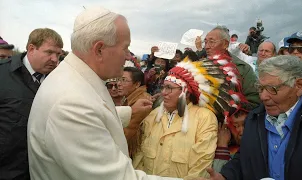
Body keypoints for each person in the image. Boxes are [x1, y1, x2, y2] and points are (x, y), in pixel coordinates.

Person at [27, 7, 201, 180]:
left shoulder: (72, 78)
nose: (128, 57)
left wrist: (131, 112)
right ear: (99, 49)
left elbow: (95, 113)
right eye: (125, 48)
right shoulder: (71, 104)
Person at [211, 55, 302, 180]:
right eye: (261, 88)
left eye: (272, 89)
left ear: (298, 86)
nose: (263, 97)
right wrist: (225, 176)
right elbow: (244, 158)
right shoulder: (254, 118)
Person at [134, 60, 219, 179]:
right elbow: (139, 157)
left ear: (186, 93)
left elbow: (201, 163)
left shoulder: (204, 118)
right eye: (163, 87)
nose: (163, 93)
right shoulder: (153, 115)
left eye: (169, 88)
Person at [0, 28, 63, 180]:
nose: (55, 59)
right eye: (49, 52)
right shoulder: (2, 75)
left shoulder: (61, 80)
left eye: (58, 54)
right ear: (31, 49)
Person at [203, 26, 260, 106]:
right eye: (205, 42)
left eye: (211, 42)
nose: (206, 47)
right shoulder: (200, 67)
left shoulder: (242, 69)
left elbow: (254, 101)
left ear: (225, 44)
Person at [118, 67, 152, 157]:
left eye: (124, 80)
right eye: (119, 79)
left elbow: (131, 130)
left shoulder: (143, 101)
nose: (119, 84)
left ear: (137, 84)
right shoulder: (129, 98)